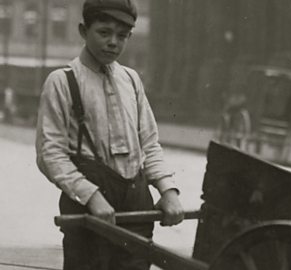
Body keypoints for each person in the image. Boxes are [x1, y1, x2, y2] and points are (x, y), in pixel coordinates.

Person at [35, 0, 184, 269]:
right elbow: (50, 154)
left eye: (122, 35)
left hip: (136, 204)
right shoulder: (62, 81)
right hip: (88, 209)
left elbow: (149, 143)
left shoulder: (131, 79)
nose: (113, 42)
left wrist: (168, 190)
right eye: (104, 32)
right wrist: (91, 197)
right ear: (83, 30)